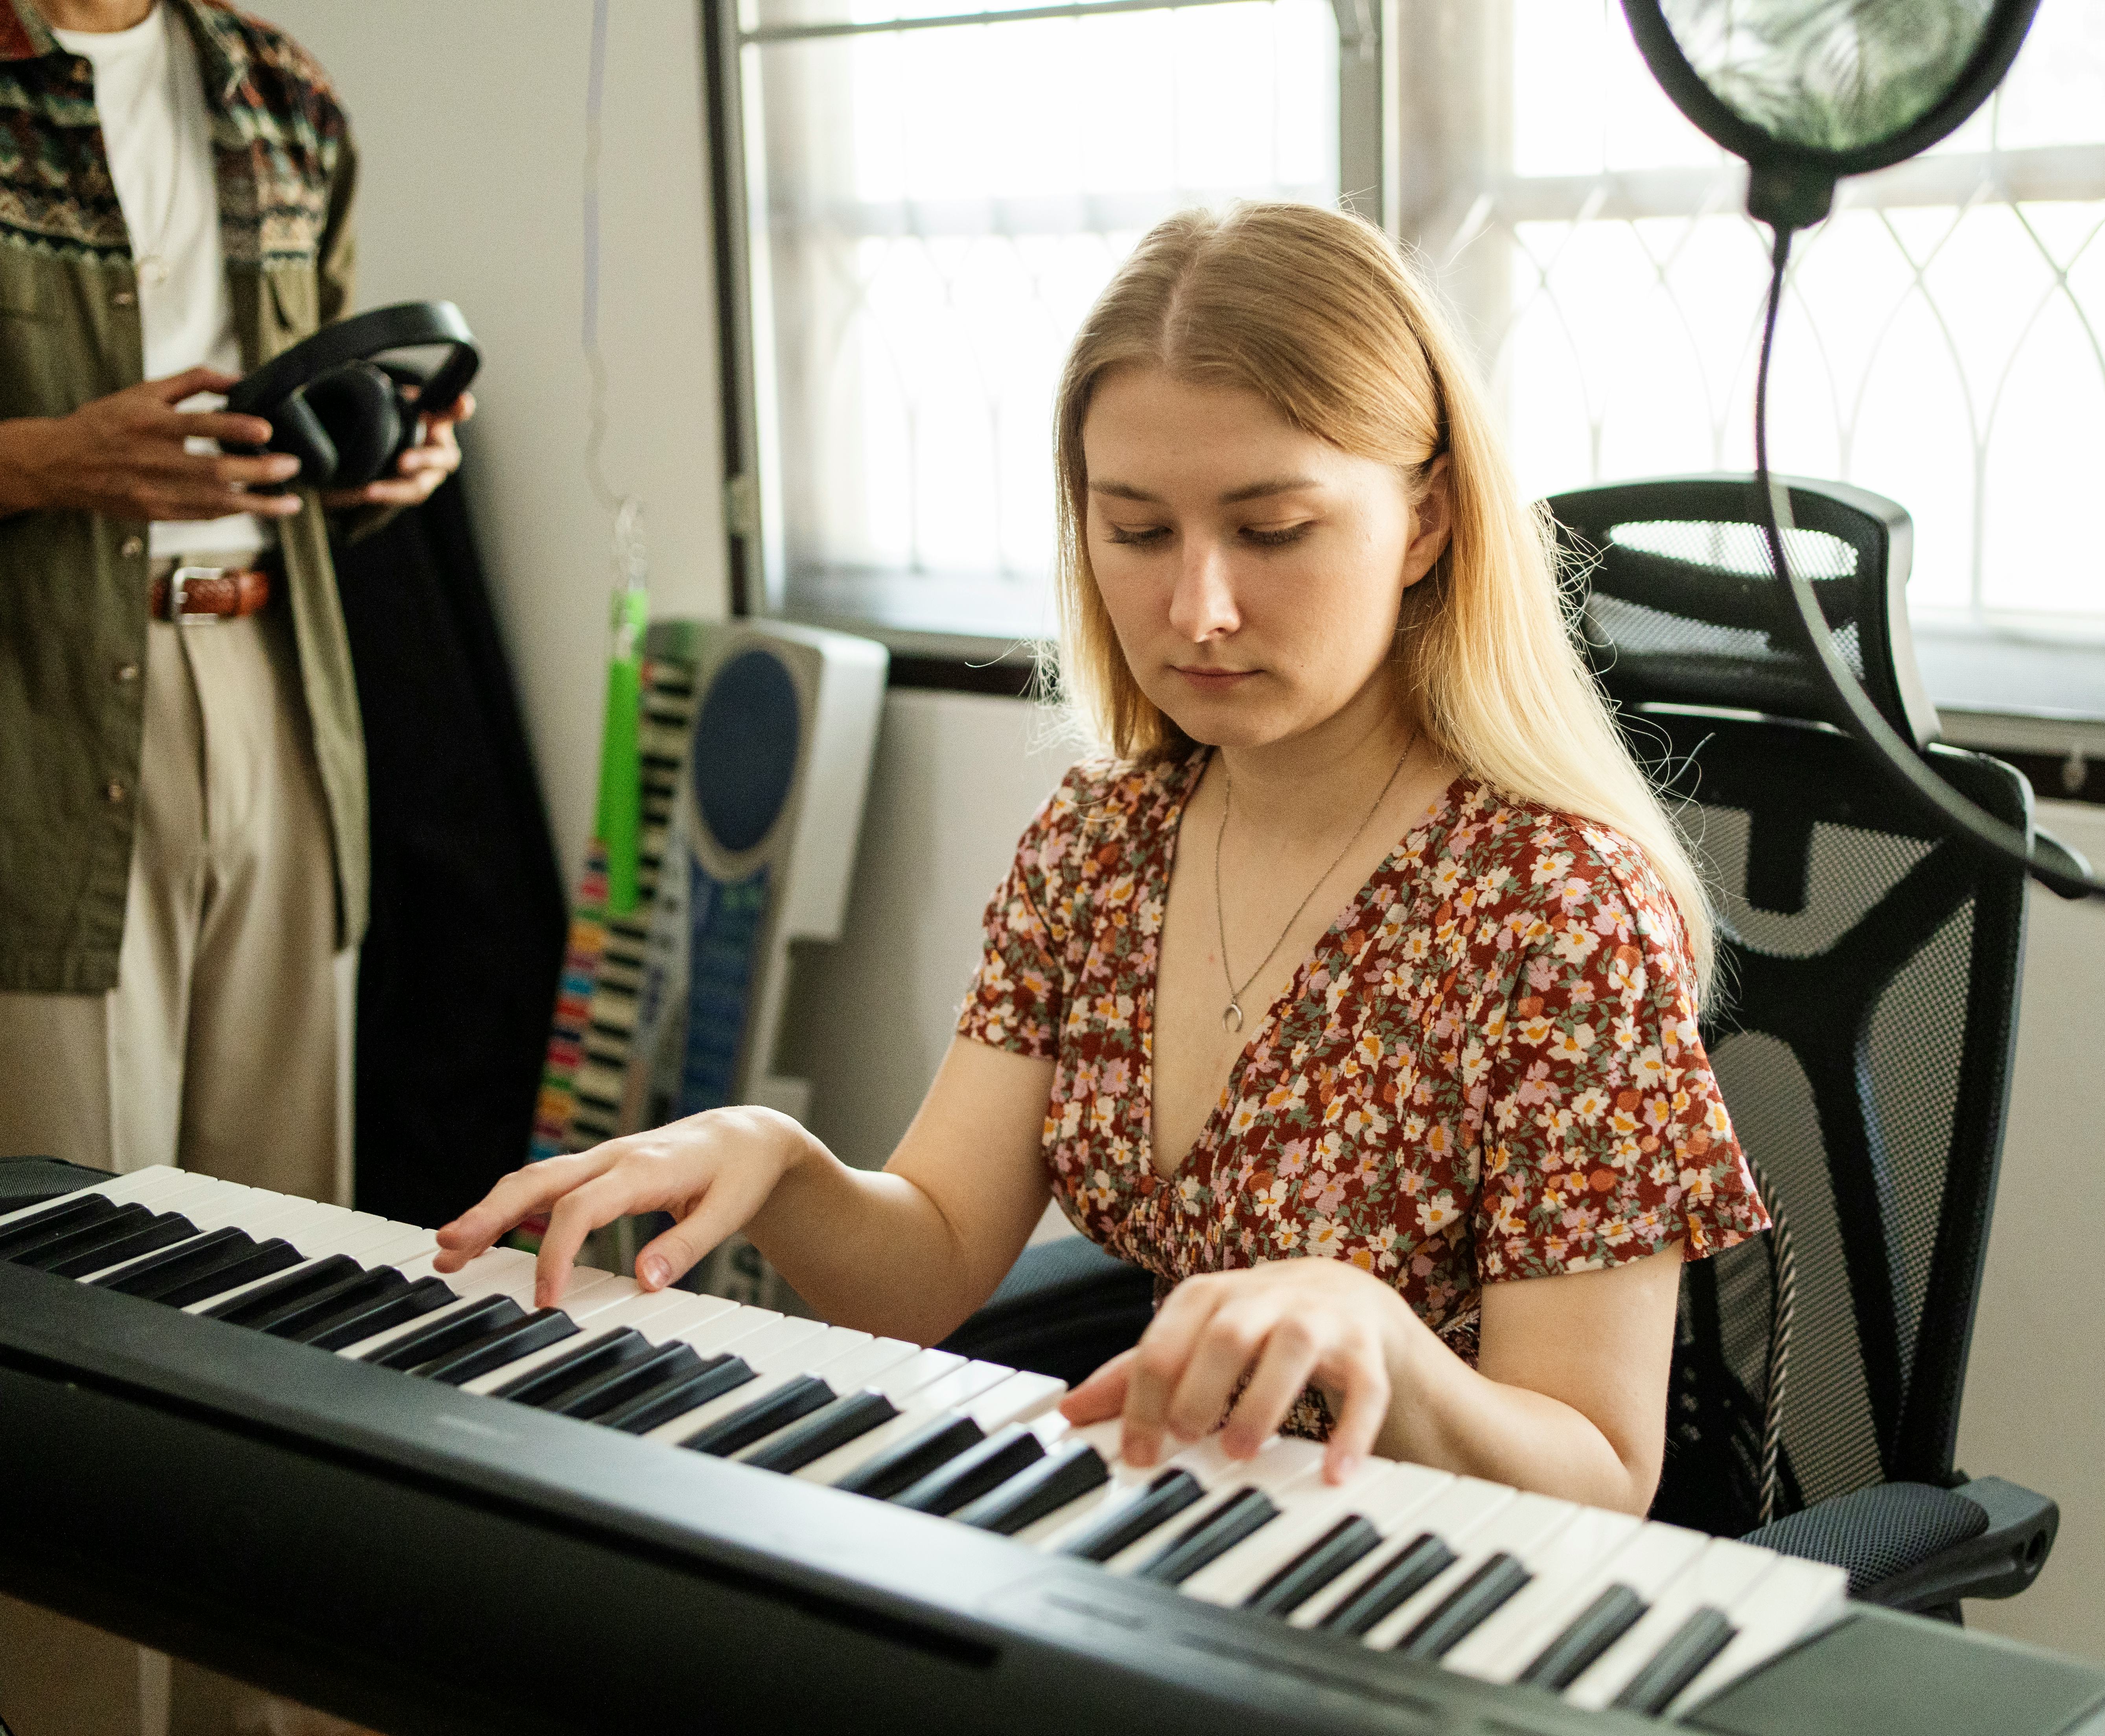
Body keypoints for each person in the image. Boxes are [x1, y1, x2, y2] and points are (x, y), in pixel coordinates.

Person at [438, 202, 1765, 1507]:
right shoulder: (1103, 843)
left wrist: (1382, 1341)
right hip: (1191, 1538)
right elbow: (932, 1261)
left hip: (1432, 1599)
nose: (1197, 606)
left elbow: (1598, 1475)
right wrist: (780, 1160)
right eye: (1136, 532)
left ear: (1422, 525)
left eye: (1271, 530)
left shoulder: (1552, 909)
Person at [0, 3, 464, 1732]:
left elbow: (305, 406)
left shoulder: (285, 94)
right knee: (73, 1302)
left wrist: (386, 457)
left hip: (274, 679)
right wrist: (54, 460)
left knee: (279, 1277)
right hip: (40, 723)